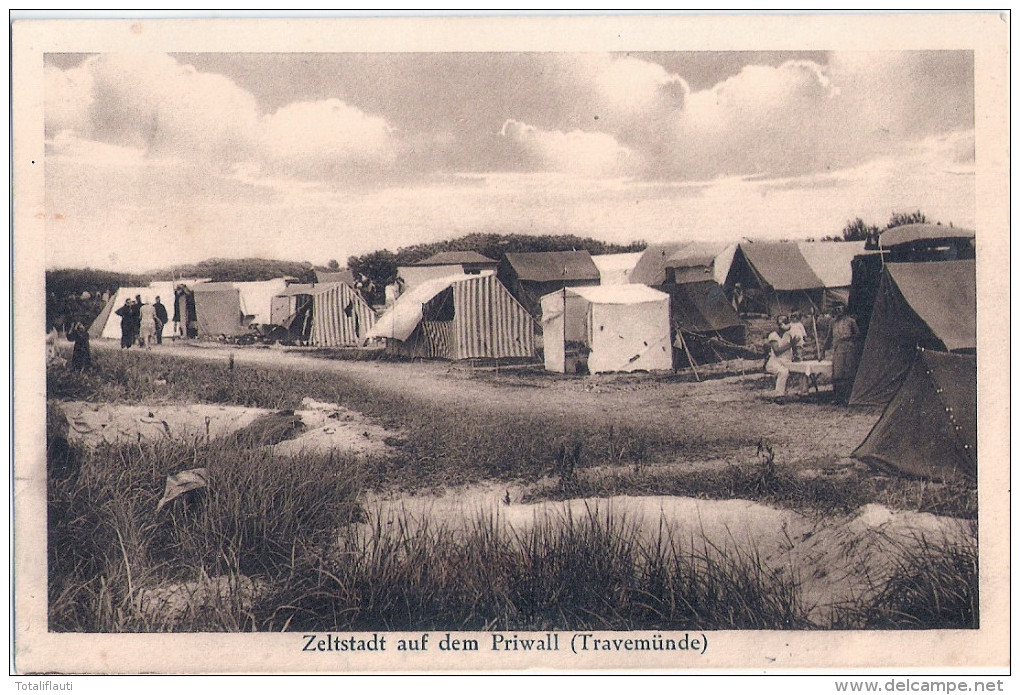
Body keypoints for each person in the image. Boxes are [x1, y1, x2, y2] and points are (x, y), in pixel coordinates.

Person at [824, 304, 861, 403]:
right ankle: (838, 397)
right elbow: (829, 337)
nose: (838, 311)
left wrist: (848, 338)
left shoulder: (851, 321)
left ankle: (848, 397)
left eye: (840, 309)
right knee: (838, 373)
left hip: (849, 348)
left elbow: (858, 334)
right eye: (836, 309)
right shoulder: (832, 322)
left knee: (849, 373)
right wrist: (823, 350)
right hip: (838, 348)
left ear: (844, 309)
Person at [765, 315, 794, 403]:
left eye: (786, 323)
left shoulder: (789, 335)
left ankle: (804, 393)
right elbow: (777, 351)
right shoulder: (773, 335)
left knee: (802, 369)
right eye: (782, 323)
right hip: (775, 362)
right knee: (783, 371)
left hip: (787, 361)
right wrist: (791, 344)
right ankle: (779, 395)